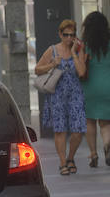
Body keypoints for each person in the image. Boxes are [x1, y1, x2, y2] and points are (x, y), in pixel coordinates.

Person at [35, 18, 87, 175]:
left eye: (72, 35)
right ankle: (63, 162)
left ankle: (71, 158)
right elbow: (37, 69)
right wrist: (52, 64)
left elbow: (82, 72)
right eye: (66, 35)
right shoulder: (53, 50)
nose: (69, 38)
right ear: (60, 34)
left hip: (75, 95)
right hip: (57, 95)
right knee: (60, 130)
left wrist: (74, 53)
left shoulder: (78, 50)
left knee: (78, 130)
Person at [79, 10, 110, 167]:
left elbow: (79, 68)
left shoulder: (84, 46)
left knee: (89, 121)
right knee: (105, 123)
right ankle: (107, 145)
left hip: (89, 87)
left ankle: (93, 155)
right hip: (107, 87)